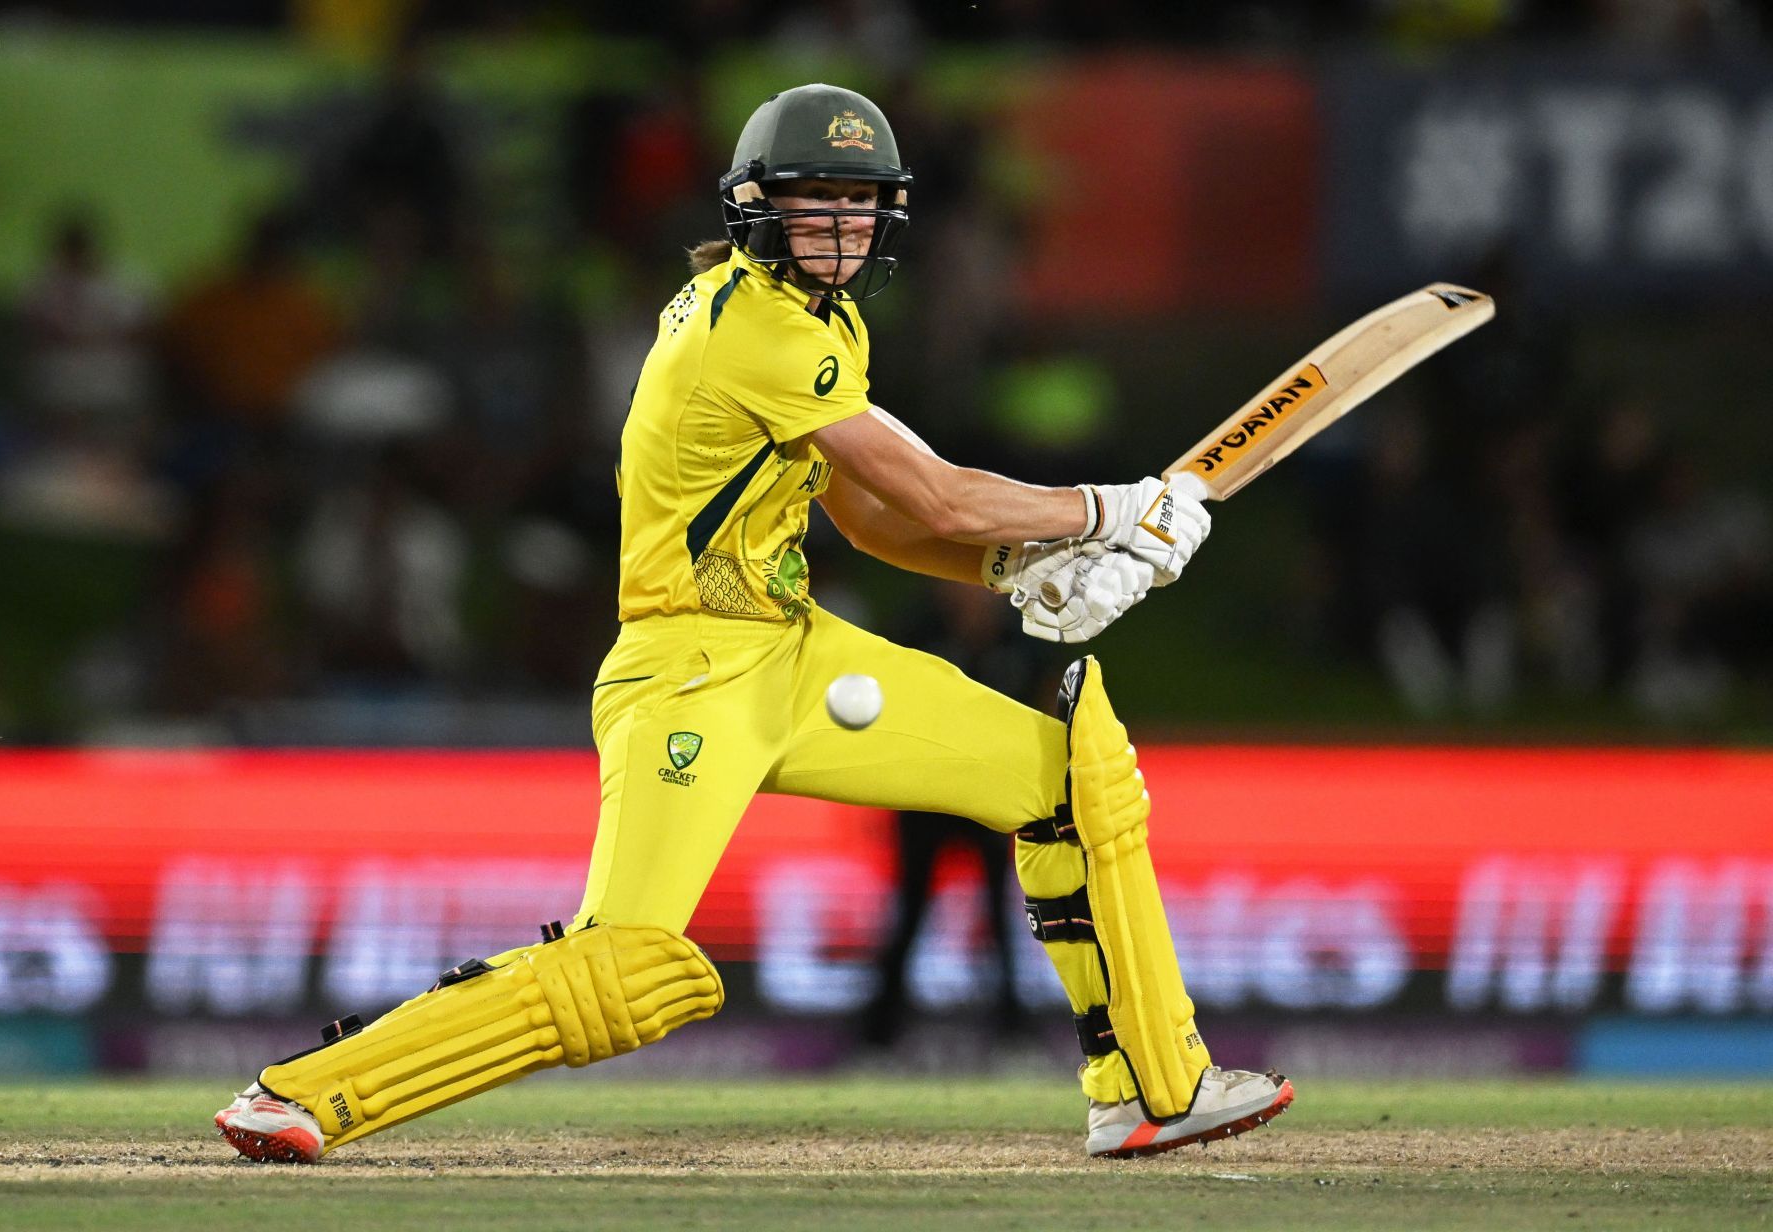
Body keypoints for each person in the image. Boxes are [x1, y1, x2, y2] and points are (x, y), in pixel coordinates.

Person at [214, 83, 1293, 1164]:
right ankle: (306, 1092)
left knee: (1069, 774)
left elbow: (871, 520)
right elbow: (941, 494)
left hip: (790, 648)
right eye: (812, 200)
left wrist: (1018, 565)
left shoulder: (822, 322)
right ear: (755, 208)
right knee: (632, 964)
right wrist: (1105, 513)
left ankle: (1154, 1086)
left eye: (857, 203)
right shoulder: (759, 332)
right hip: (688, 670)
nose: (837, 225)